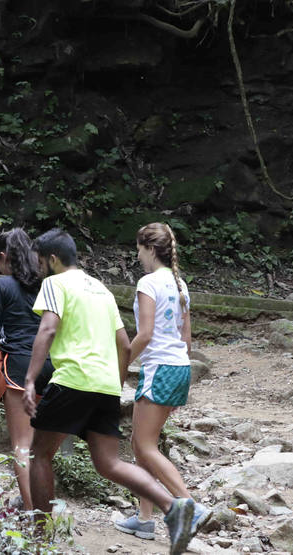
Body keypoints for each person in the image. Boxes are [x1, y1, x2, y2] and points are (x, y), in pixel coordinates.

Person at [22, 229, 202, 555]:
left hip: (74, 379)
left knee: (40, 454)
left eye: (40, 261)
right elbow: (122, 343)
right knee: (109, 463)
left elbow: (47, 328)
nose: (39, 269)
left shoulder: (55, 284)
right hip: (106, 384)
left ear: (51, 259)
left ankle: (41, 536)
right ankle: (174, 507)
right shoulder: (101, 289)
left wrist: (32, 379)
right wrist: (115, 383)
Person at [114, 222, 210, 540]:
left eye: (139, 250)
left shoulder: (148, 283)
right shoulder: (180, 285)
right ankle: (144, 519)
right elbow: (187, 341)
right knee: (143, 448)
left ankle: (190, 507)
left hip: (160, 370)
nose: (138, 256)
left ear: (150, 249)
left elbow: (145, 334)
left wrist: (123, 360)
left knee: (143, 445)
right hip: (180, 369)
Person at [0, 228, 54, 510]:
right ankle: (34, 504)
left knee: (22, 446)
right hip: (52, 367)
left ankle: (36, 516)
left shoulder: (2, 286)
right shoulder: (49, 285)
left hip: (19, 367)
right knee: (41, 450)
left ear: (3, 257)